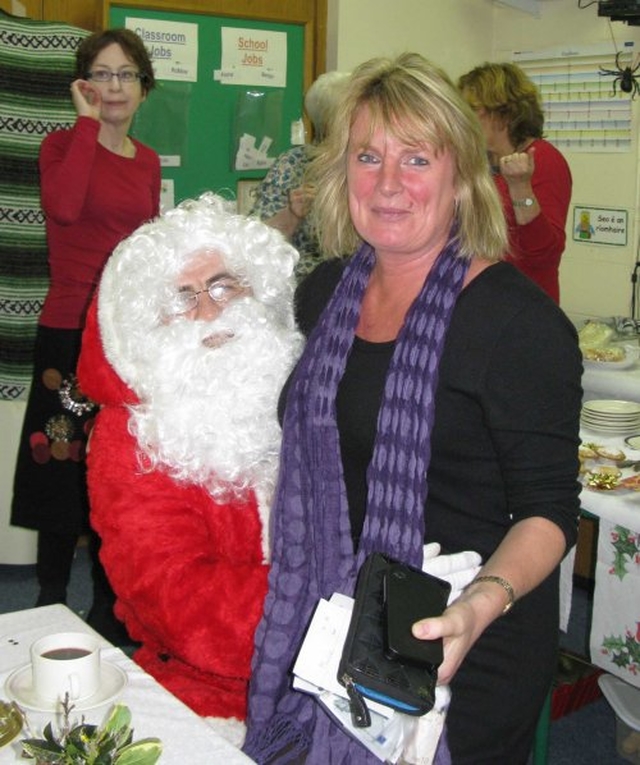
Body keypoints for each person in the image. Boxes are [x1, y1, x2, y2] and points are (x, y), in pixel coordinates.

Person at [243, 53, 582, 764]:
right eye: (368, 156)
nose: (388, 183)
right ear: (342, 173)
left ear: (461, 177)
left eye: (417, 159)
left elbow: (548, 509)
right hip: (337, 622)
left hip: (467, 642)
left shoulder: (517, 325)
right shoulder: (326, 291)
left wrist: (483, 601)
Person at [76, 193, 303, 743]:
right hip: (211, 688)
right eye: (182, 298)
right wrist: (323, 616)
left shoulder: (296, 385)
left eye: (224, 284)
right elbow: (175, 598)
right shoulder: (131, 436)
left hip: (333, 675)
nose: (209, 310)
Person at [10, 28, 161, 642]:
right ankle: (49, 597)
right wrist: (84, 126)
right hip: (69, 329)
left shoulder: (148, 161)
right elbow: (66, 207)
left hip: (123, 334)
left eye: (125, 74)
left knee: (115, 470)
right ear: (83, 85)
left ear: (143, 87)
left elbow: (145, 248)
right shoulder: (62, 145)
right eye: (101, 74)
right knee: (60, 464)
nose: (113, 87)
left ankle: (107, 605)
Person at [458, 61, 572, 304]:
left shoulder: (543, 159)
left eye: (472, 108)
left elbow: (544, 253)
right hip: (481, 300)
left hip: (523, 307)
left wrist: (521, 188)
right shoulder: (479, 163)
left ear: (504, 112)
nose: (464, 118)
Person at [249, 70, 350, 278]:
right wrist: (292, 213)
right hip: (306, 284)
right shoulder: (293, 164)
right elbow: (255, 240)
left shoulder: (367, 162)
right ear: (327, 122)